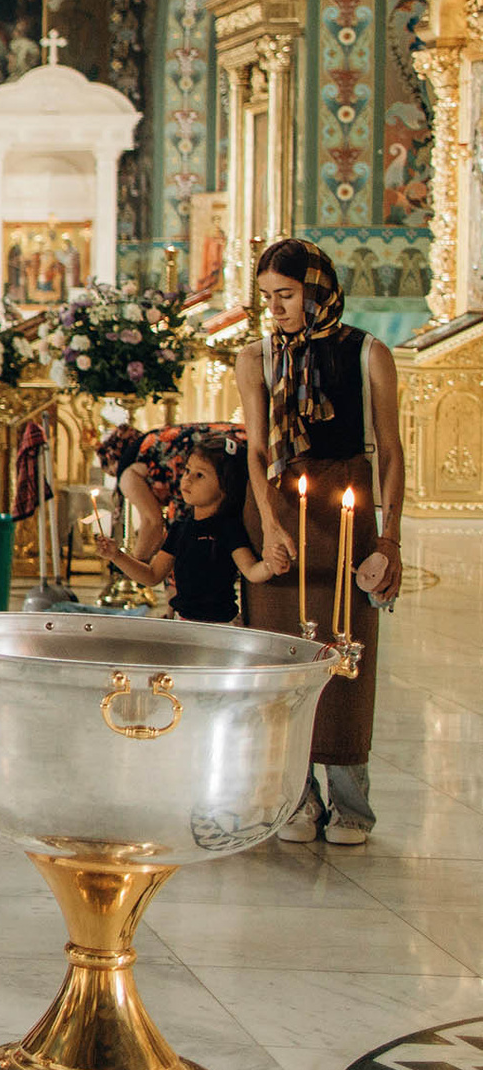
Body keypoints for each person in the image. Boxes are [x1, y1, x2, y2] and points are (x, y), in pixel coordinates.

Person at [238, 237, 404, 847]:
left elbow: (389, 450)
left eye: (285, 296)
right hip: (279, 504)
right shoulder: (256, 357)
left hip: (348, 510)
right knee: (284, 658)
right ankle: (295, 799)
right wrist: (271, 525)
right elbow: (258, 450)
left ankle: (353, 805)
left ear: (318, 290)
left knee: (347, 651)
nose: (274, 309)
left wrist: (389, 539)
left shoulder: (368, 354)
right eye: (267, 298)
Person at [93, 437, 269, 623]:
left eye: (200, 475)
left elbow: (250, 570)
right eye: (187, 470)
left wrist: (269, 566)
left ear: (225, 487)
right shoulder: (180, 528)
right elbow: (152, 575)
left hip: (221, 626)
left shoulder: (229, 528)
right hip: (184, 622)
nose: (187, 479)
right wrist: (117, 556)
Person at [98, 421, 248, 561]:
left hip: (230, 460)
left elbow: (152, 522)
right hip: (248, 440)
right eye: (187, 471)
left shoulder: (127, 472)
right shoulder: (156, 441)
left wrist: (135, 564)